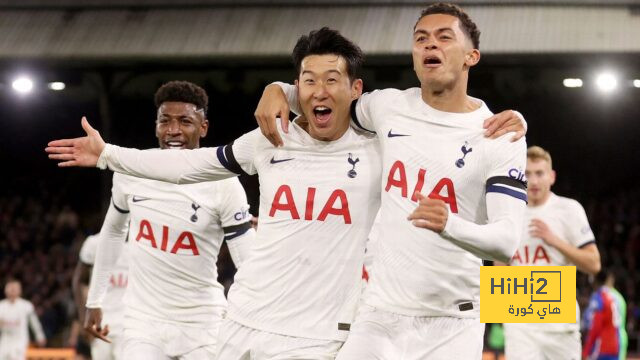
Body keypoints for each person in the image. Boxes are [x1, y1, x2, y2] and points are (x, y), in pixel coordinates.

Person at [46, 28, 523, 358]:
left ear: (355, 89)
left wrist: (500, 124)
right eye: (308, 81)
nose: (320, 91)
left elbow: (442, 131)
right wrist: (108, 153)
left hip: (318, 339)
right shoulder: (269, 141)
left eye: (332, 81)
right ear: (297, 88)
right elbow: (190, 164)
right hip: (240, 321)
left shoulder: (382, 147)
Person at [255, 3, 528, 358]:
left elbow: (506, 242)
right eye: (421, 39)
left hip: (452, 321)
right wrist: (276, 88)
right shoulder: (386, 107)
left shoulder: (499, 135)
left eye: (444, 37)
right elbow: (329, 98)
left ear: (471, 56)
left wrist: (450, 225)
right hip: (379, 313)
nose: (431, 45)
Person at [81, 81, 255, 359]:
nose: (173, 130)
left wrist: (256, 312)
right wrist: (95, 299)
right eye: (165, 121)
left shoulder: (224, 183)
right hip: (143, 321)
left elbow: (246, 261)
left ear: (203, 127)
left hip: (202, 321)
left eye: (185, 121)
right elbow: (112, 233)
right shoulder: (131, 171)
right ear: (156, 126)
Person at [499, 145, 601, 360]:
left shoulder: (569, 209)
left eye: (539, 173)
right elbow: (500, 267)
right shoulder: (508, 212)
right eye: (527, 174)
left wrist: (554, 240)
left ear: (551, 177)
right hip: (519, 322)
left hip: (560, 323)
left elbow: (594, 264)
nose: (534, 181)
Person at [72, 233, 128, 360]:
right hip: (100, 325)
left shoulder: (138, 245)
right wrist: (82, 319)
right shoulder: (93, 243)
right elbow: (78, 280)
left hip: (127, 325)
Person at [582, 270, 627, 360]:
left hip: (602, 344)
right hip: (618, 340)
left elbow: (594, 324)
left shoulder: (599, 297)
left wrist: (586, 350)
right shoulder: (618, 297)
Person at [0, 279, 46, 360]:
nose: (12, 290)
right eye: (10, 288)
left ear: (19, 290)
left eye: (15, 288)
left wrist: (40, 336)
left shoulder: (26, 306)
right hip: (5, 340)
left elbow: (34, 323)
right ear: (5, 290)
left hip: (20, 340)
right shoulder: (1, 306)